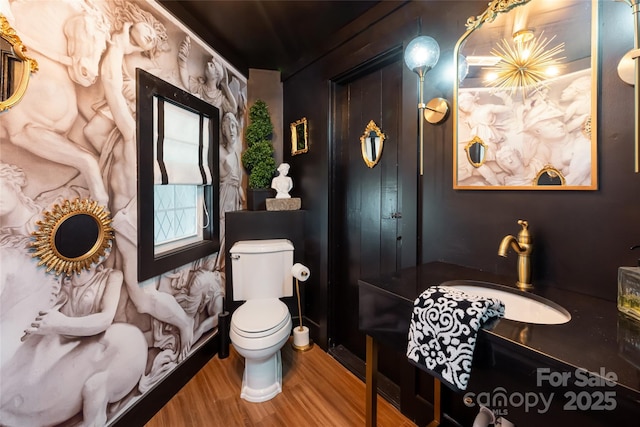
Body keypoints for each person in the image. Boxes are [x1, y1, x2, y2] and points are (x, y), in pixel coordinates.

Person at [177, 35, 238, 115]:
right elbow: (186, 83)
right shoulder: (200, 88)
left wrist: (226, 87)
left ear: (217, 75)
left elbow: (233, 109)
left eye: (212, 65)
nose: (208, 64)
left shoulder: (219, 97)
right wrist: (182, 62)